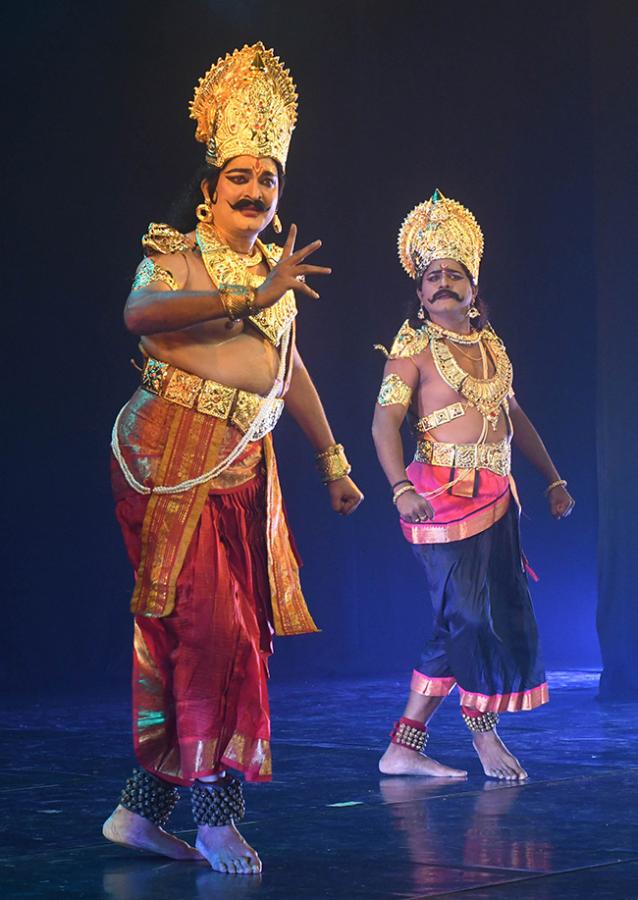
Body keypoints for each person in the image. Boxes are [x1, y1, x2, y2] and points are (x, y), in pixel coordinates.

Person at [102, 42, 363, 875]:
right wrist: (249, 295)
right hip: (168, 463)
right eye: (240, 177)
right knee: (214, 635)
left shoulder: (277, 274)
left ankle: (138, 812)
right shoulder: (176, 253)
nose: (255, 192)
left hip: (245, 475)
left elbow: (290, 371)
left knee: (216, 636)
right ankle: (215, 818)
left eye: (270, 180)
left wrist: (333, 458)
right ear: (210, 186)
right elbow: (139, 312)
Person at [372, 189, 574, 782]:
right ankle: (483, 733)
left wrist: (553, 479)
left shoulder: (492, 348)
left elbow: (517, 418)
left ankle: (404, 746)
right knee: (470, 617)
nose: (441, 283)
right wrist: (396, 488)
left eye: (452, 274)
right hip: (437, 498)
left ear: (472, 287)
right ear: (419, 293)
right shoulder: (411, 349)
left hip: (498, 497)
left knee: (460, 620)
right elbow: (383, 421)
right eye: (430, 275)